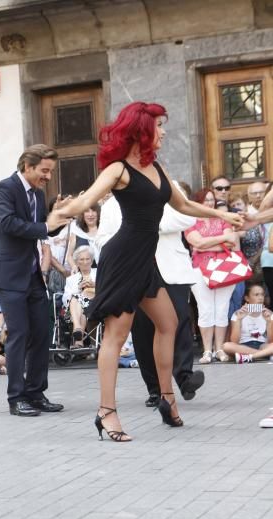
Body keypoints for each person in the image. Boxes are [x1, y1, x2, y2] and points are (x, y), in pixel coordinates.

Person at [48, 102, 242, 441]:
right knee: (115, 336)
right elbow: (86, 202)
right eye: (158, 126)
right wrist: (57, 214)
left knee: (168, 324)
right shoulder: (118, 170)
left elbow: (182, 205)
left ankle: (167, 399)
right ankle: (106, 412)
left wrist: (222, 217)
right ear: (142, 130)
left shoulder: (156, 167)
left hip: (146, 260)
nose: (164, 131)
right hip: (122, 259)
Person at [98, 180, 207, 407]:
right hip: (134, 271)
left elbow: (187, 216)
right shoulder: (110, 205)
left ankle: (185, 378)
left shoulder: (167, 185)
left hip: (170, 271)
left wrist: (144, 224)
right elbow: (101, 239)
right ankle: (155, 390)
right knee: (143, 331)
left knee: (179, 321)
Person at [0, 145, 71, 417]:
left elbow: (41, 230)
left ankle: (36, 393)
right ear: (27, 165)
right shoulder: (4, 189)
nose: (48, 176)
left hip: (34, 274)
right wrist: (47, 225)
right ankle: (16, 398)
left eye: (50, 171)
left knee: (42, 333)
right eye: (44, 170)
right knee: (19, 335)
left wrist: (57, 217)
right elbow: (9, 224)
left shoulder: (37, 193)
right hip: (9, 275)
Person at [185, 188, 239, 364]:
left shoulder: (223, 219)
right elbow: (196, 243)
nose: (209, 203)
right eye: (205, 200)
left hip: (224, 268)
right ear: (197, 202)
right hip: (199, 269)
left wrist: (205, 245)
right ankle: (207, 350)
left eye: (211, 200)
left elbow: (232, 241)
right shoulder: (190, 221)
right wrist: (220, 242)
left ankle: (220, 349)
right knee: (206, 309)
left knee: (222, 308)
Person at [221, 284, 273, 363]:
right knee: (226, 346)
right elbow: (234, 341)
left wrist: (269, 322)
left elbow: (270, 341)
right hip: (243, 346)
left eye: (262, 294)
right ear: (247, 298)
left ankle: (250, 357)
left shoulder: (269, 314)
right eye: (256, 295)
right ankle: (264, 355)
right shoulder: (237, 314)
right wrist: (239, 320)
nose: (260, 297)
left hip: (262, 345)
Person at [62, 246, 97, 345]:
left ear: (91, 260)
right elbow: (65, 300)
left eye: (87, 259)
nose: (85, 262)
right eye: (82, 259)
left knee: (80, 302)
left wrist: (95, 285)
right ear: (77, 262)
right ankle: (78, 332)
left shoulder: (99, 274)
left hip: (95, 305)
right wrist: (78, 288)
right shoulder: (71, 279)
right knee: (76, 298)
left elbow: (107, 290)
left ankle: (78, 335)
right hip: (76, 309)